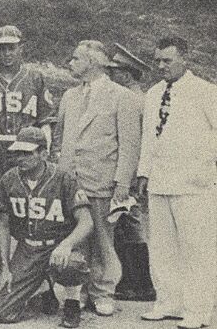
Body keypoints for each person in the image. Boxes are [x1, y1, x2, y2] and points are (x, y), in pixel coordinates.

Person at [53, 40, 142, 316]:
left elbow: (129, 145)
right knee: (74, 235)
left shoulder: (121, 96)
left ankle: (103, 291)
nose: (70, 63)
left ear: (92, 63)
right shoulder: (69, 96)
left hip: (102, 179)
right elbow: (60, 136)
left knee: (103, 237)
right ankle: (75, 291)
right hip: (71, 180)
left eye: (76, 59)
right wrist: (61, 171)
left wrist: (123, 183)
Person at [0, 25, 54, 305]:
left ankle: (35, 286)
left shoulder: (36, 78)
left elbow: (45, 119)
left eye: (11, 47)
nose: (6, 52)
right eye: (1, 47)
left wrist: (46, 151)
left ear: (21, 48)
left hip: (26, 147)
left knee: (30, 210)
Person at [136, 37, 217, 329]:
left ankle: (198, 310)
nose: (161, 66)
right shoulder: (154, 92)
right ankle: (169, 302)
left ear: (185, 59)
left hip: (194, 186)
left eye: (167, 61)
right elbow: (148, 138)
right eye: (158, 60)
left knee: (196, 249)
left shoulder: (206, 92)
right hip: (160, 182)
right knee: (163, 248)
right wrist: (143, 173)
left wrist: (203, 166)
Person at [0, 127, 94, 328]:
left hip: (57, 246)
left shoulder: (63, 178)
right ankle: (44, 287)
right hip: (28, 249)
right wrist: (5, 267)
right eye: (18, 152)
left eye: (27, 153)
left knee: (72, 264)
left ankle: (72, 302)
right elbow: (3, 224)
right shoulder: (9, 179)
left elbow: (86, 221)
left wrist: (67, 245)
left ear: (43, 154)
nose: (21, 158)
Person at [105, 43, 155, 302]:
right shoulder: (141, 98)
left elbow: (132, 143)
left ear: (126, 74)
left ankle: (140, 284)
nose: (111, 75)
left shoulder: (130, 100)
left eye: (115, 71)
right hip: (136, 173)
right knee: (127, 225)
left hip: (130, 175)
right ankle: (132, 281)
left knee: (129, 225)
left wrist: (125, 180)